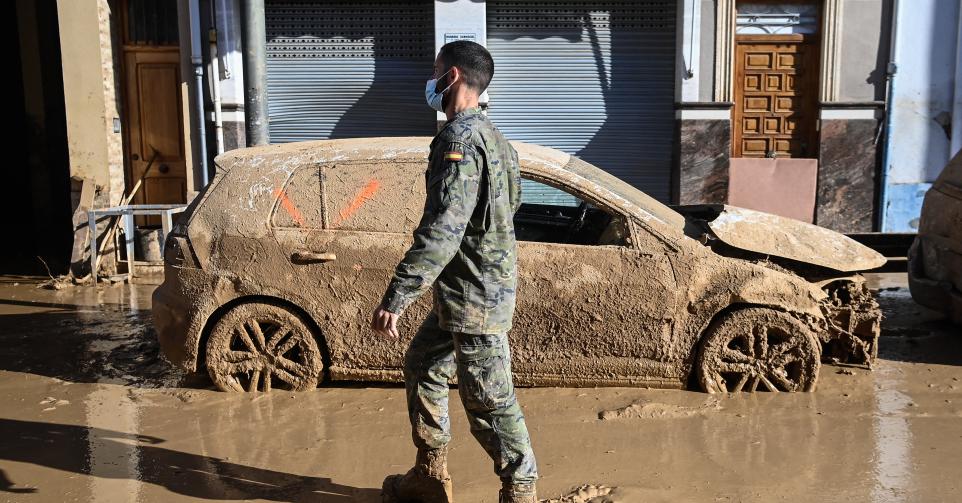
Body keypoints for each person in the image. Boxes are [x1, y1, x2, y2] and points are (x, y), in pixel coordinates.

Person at [370, 40, 538, 503]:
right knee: (423, 362)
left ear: (454, 77)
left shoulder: (460, 139)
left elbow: (445, 226)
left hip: (475, 295)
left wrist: (397, 296)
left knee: (489, 399)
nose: (431, 81)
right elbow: (510, 207)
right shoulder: (498, 140)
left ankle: (520, 491)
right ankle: (429, 474)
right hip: (468, 289)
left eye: (435, 72)